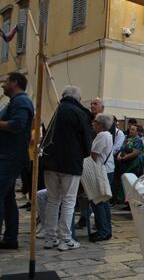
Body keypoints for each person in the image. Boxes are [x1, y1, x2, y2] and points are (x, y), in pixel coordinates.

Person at [42, 86, 92, 251]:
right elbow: (87, 141)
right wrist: (83, 153)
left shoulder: (55, 110)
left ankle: (49, 237)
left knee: (53, 200)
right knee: (69, 200)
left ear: (63, 96)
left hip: (50, 162)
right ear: (78, 98)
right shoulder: (80, 113)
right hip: (70, 163)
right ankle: (65, 238)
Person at [0, 72, 34, 250]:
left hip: (10, 156)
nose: (3, 85)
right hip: (9, 155)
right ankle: (10, 238)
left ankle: (10, 237)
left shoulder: (21, 101)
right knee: (7, 198)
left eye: (6, 81)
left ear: (14, 83)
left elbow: (17, 125)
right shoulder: (16, 102)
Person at [89, 113, 115, 242]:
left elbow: (93, 154)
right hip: (108, 170)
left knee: (99, 201)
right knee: (104, 202)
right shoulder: (108, 135)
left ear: (100, 124)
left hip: (100, 170)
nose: (93, 123)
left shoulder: (101, 135)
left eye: (95, 121)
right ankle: (106, 230)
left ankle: (103, 231)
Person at [115, 124, 144, 202]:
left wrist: (123, 158)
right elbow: (122, 149)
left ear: (137, 132)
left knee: (130, 182)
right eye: (130, 129)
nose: (130, 131)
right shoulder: (128, 139)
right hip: (125, 162)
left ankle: (130, 201)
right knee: (124, 180)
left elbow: (135, 153)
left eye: (133, 129)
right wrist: (119, 156)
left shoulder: (138, 140)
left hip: (134, 163)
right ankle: (124, 200)